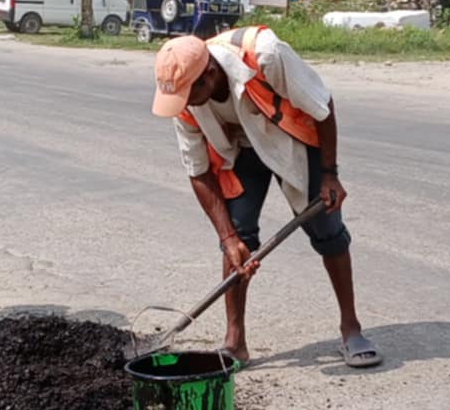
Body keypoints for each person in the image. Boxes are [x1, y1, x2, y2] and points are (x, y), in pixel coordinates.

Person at [150, 26, 379, 369]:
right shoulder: (183, 101)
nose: (183, 104)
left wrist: (330, 174)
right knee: (237, 239)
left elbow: (322, 106)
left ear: (209, 76)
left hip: (291, 138)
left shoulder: (264, 55)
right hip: (241, 149)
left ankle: (351, 328)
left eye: (188, 95)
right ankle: (235, 341)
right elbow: (198, 172)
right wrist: (227, 238)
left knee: (328, 231)